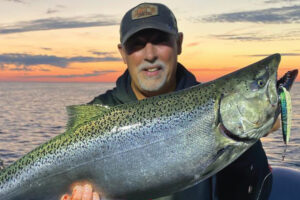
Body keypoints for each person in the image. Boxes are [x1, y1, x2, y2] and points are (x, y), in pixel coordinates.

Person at [61, 3, 278, 200]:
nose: (149, 54)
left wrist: (249, 141)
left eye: (160, 40)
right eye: (136, 45)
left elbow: (254, 191)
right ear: (122, 53)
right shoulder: (98, 114)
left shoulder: (217, 112)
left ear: (179, 43)